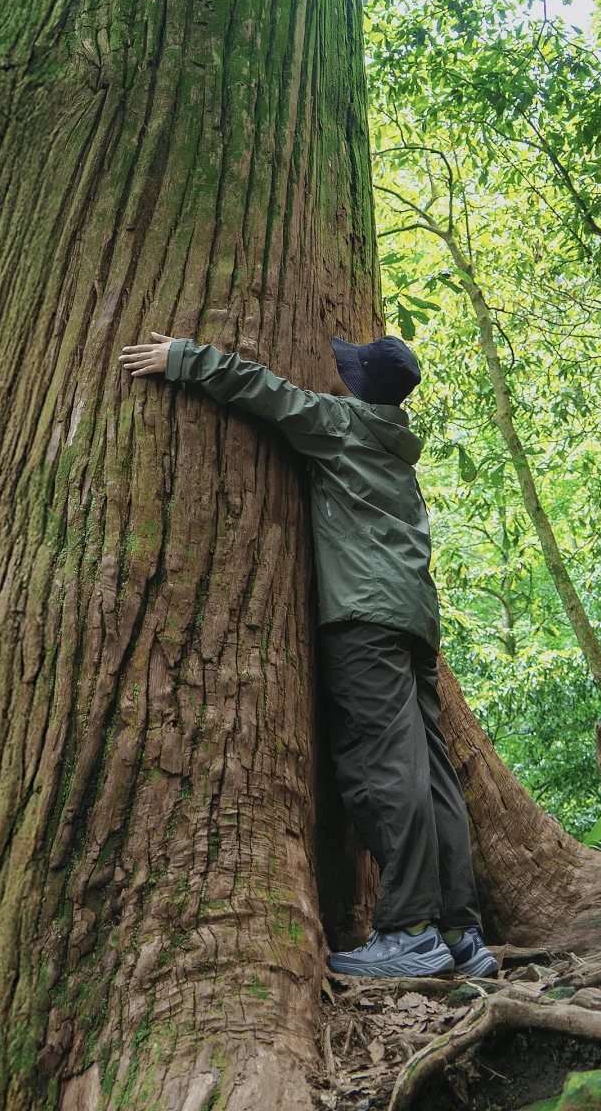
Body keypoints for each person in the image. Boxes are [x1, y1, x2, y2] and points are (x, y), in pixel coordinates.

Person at [118, 330, 498, 980]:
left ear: (362, 388)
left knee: (385, 769)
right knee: (432, 773)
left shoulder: (344, 424)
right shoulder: (400, 454)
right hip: (414, 623)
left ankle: (409, 931)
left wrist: (184, 357)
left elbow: (269, 394)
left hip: (363, 621)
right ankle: (462, 932)